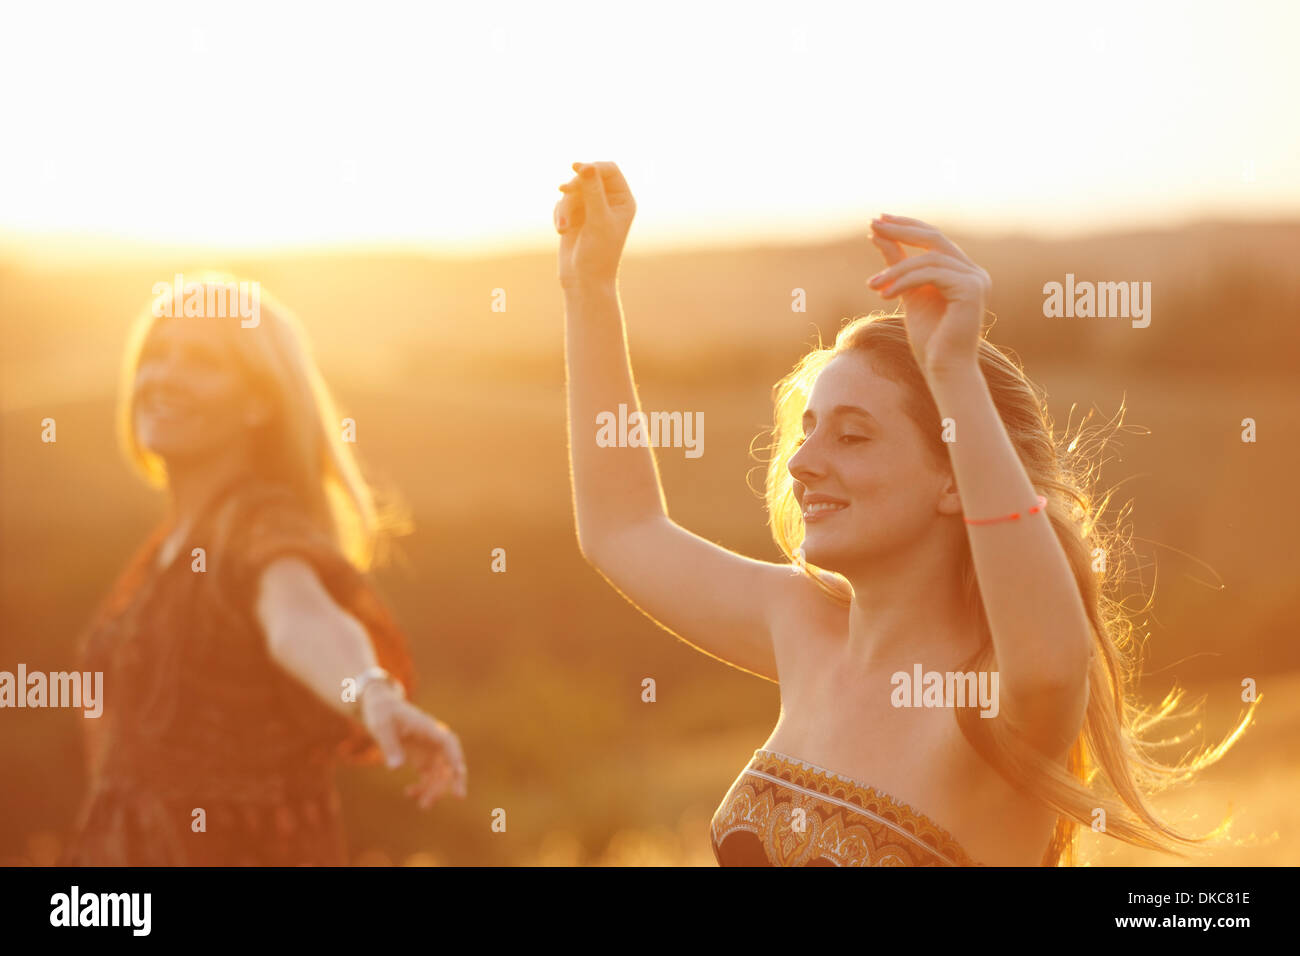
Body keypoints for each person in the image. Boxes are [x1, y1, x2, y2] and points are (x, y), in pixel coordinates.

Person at [554, 162, 1254, 866]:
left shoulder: (993, 701)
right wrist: (588, 286)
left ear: (956, 482)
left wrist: (952, 372)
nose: (802, 463)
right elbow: (623, 529)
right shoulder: (801, 625)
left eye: (853, 436)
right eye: (808, 430)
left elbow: (1047, 667)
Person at [60, 276, 466, 866]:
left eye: (201, 361)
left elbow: (299, 617)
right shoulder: (169, 549)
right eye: (155, 355)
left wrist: (370, 691)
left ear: (259, 400)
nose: (164, 376)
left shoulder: (259, 527)